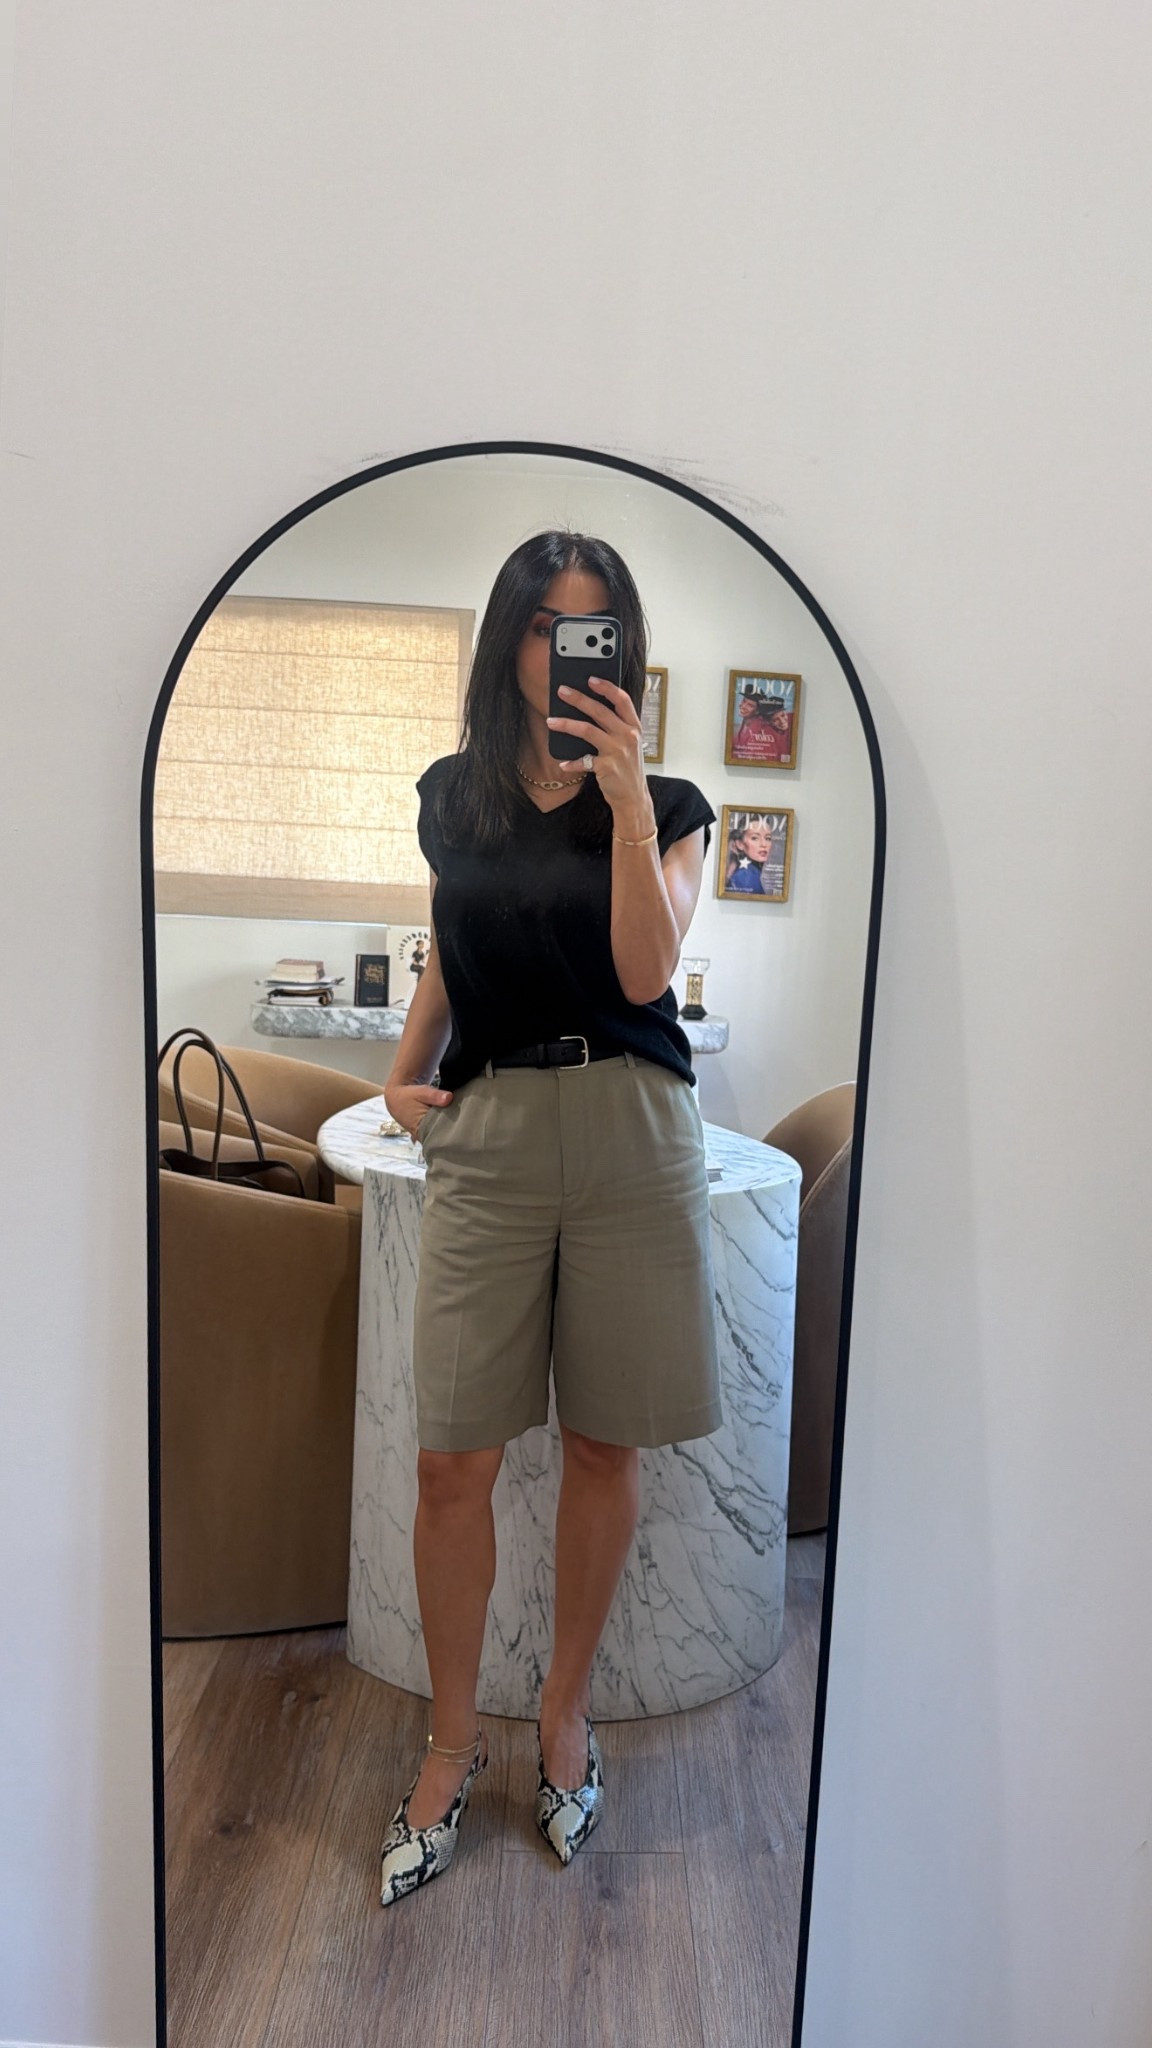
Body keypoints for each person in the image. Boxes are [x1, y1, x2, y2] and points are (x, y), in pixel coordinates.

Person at [376, 529, 723, 1906]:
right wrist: (402, 1072)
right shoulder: (451, 796)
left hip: (635, 1126)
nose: (567, 652)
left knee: (601, 1439)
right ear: (508, 640)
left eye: (594, 630)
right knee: (450, 1460)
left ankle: (564, 1715)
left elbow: (646, 970)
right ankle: (451, 1741)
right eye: (543, 625)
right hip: (496, 1127)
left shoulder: (675, 803)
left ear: (622, 650)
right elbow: (449, 946)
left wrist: (628, 801)